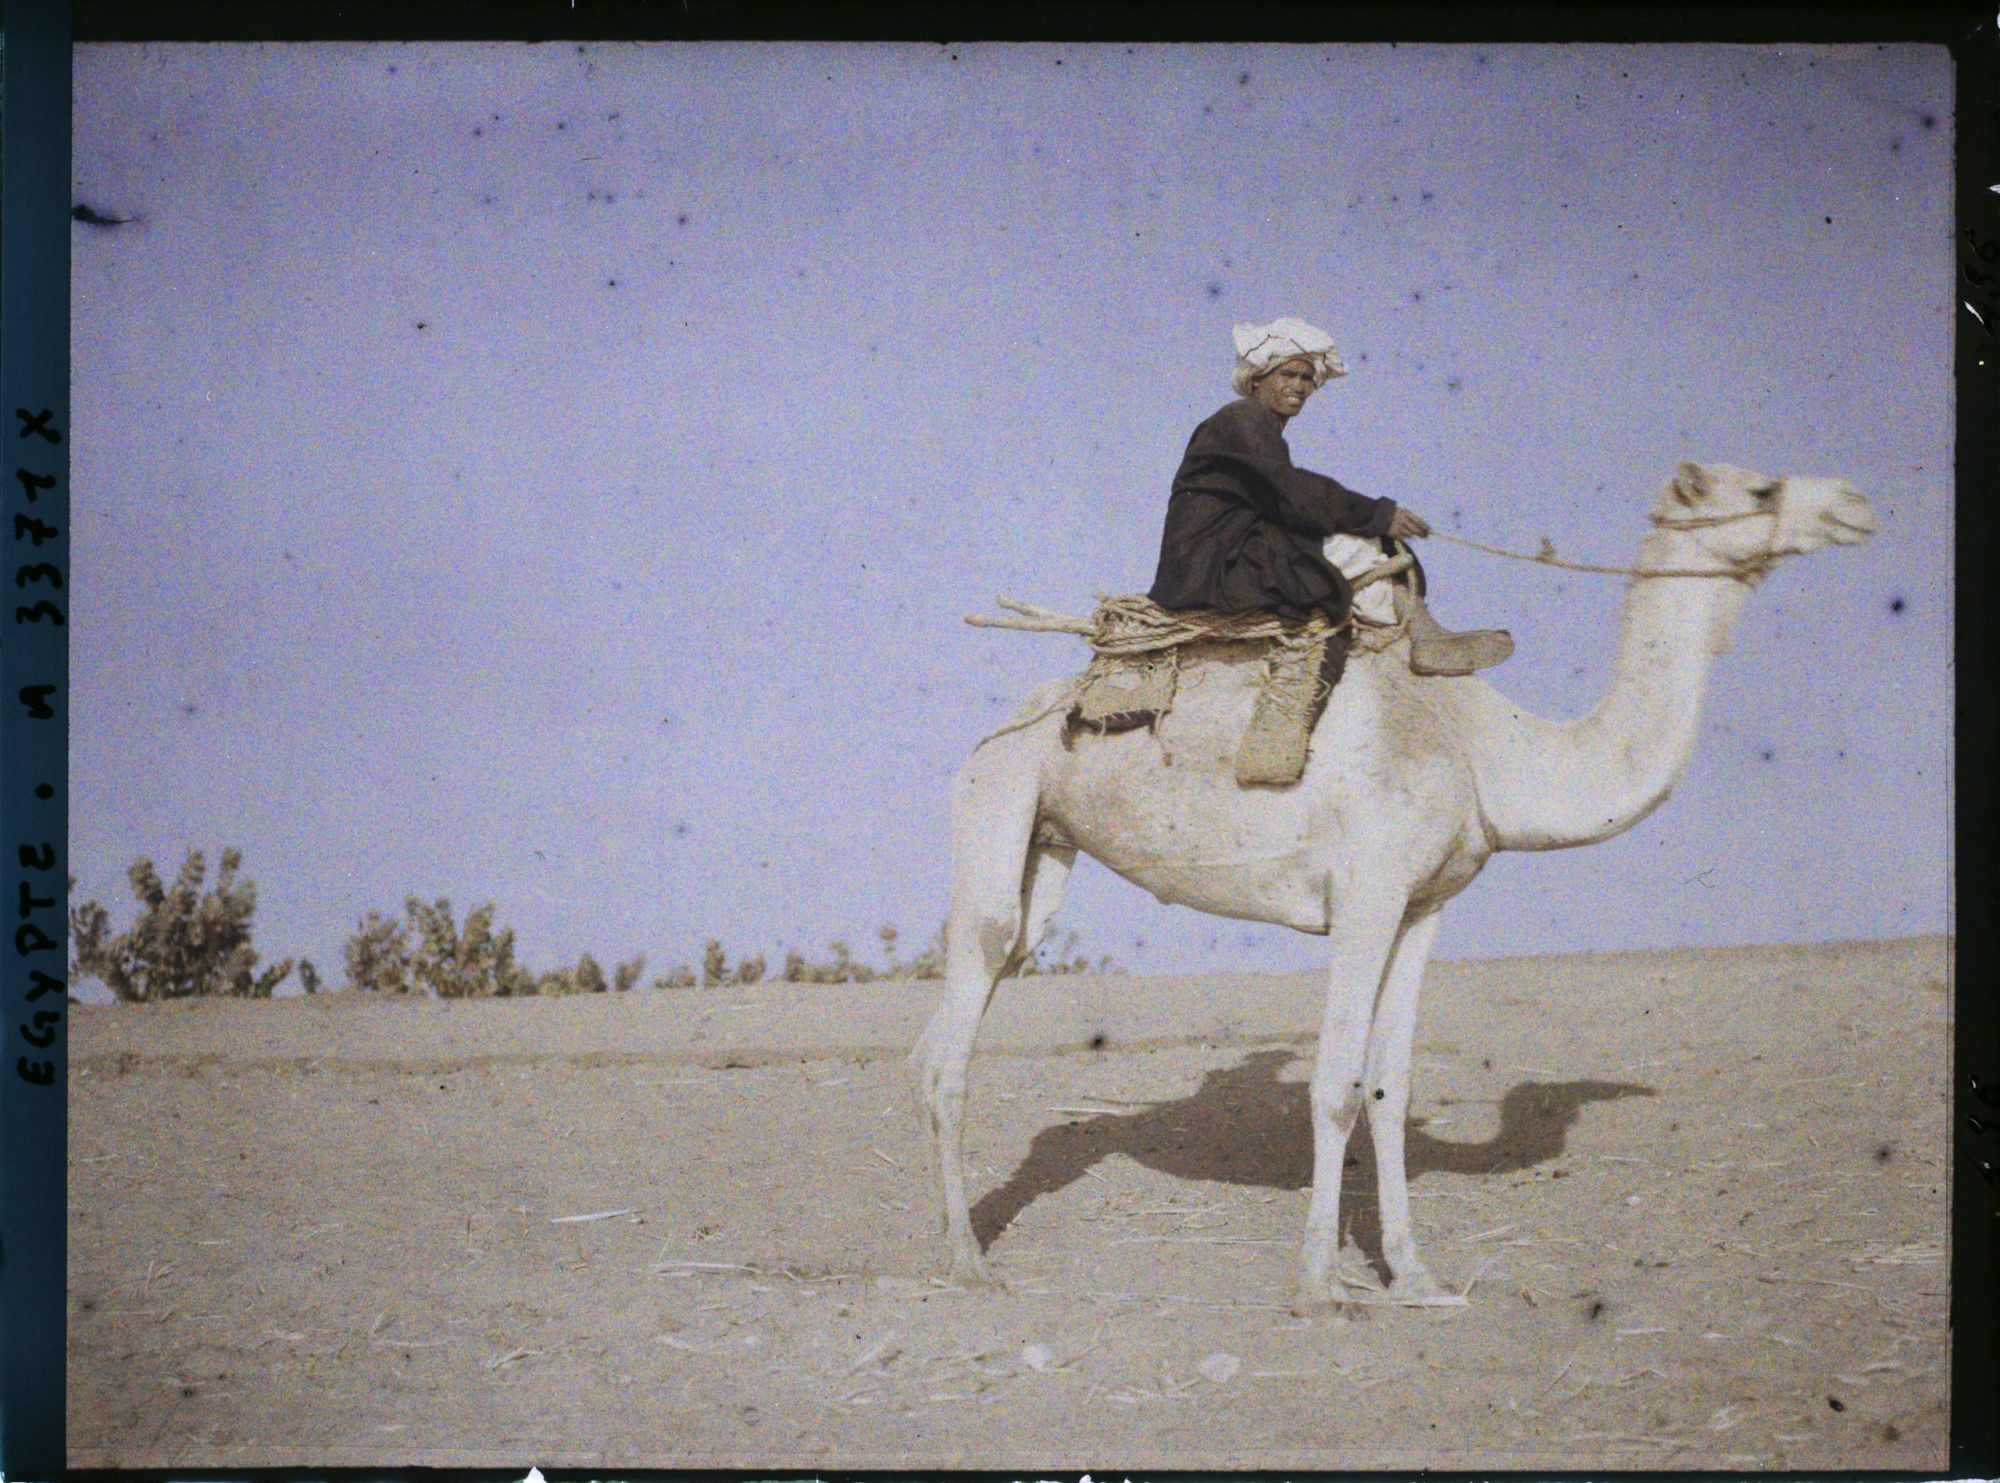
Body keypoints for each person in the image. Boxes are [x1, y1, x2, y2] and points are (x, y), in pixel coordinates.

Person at [1149, 316, 1512, 679]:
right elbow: (1292, 490)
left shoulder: (1253, 425)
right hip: (1213, 565)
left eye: (1307, 378)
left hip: (1219, 558)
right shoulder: (1244, 418)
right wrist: (1379, 515)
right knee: (1371, 548)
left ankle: (1424, 637)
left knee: (1349, 562)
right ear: (1257, 379)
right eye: (1288, 375)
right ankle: (1427, 638)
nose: (1299, 386)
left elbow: (1286, 496)